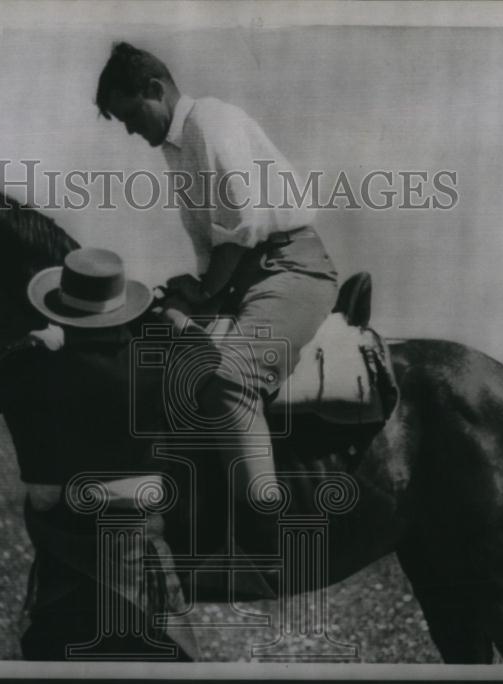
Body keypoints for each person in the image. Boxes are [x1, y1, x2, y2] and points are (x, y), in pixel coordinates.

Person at [95, 42, 339, 512]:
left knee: (230, 378)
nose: (129, 130)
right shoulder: (177, 145)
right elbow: (219, 245)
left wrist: (206, 290)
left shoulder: (209, 122)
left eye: (130, 116)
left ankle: (265, 522)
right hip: (245, 274)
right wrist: (193, 291)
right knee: (150, 343)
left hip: (291, 268)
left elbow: (240, 226)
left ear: (154, 89)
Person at [0, 246, 195, 660]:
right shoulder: (158, 363)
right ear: (122, 310)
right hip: (138, 548)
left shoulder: (36, 372)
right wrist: (173, 319)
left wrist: (31, 342)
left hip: (66, 551)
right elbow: (208, 356)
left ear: (61, 313)